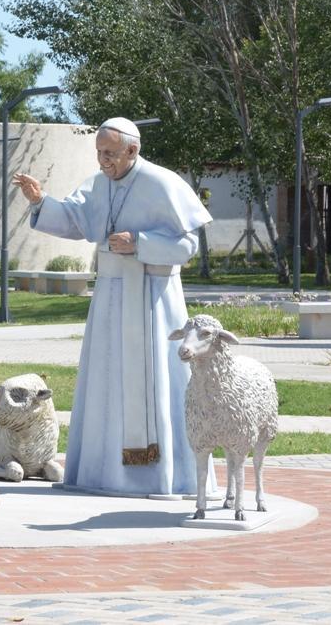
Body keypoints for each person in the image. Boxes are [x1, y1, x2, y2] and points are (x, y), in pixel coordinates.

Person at [11, 117, 214, 497]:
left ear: (132, 150)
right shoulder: (99, 184)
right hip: (110, 297)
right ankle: (103, 475)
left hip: (154, 299)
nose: (102, 161)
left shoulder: (162, 183)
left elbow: (187, 246)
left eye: (109, 153)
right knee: (108, 382)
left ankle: (162, 477)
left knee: (156, 383)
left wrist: (139, 242)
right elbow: (75, 218)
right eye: (99, 153)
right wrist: (40, 201)